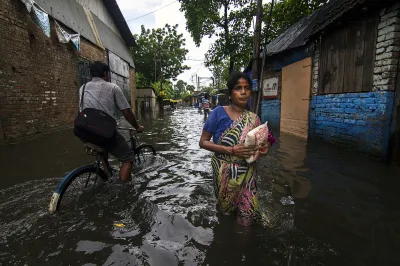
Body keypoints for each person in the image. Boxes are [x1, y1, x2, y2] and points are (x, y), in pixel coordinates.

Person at [199, 72, 273, 226]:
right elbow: (203, 142)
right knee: (226, 212)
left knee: (248, 214)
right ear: (230, 94)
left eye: (246, 88)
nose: (243, 92)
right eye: (238, 88)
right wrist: (231, 149)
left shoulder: (254, 118)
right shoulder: (218, 113)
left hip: (248, 172)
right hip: (224, 170)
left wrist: (263, 149)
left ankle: (242, 248)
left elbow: (260, 147)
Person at [78, 61, 144, 181]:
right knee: (128, 157)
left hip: (84, 131)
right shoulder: (113, 87)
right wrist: (137, 127)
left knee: (102, 146)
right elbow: (127, 113)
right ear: (105, 73)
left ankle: (107, 175)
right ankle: (124, 191)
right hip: (104, 132)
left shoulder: (83, 88)